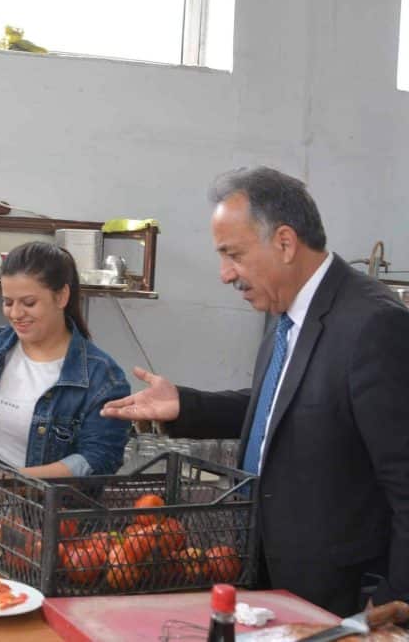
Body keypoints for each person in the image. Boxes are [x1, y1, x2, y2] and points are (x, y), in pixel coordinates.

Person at [101, 166, 409, 616]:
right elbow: (291, 406)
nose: (226, 274)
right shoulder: (287, 313)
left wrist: (393, 604)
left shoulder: (374, 324)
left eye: (234, 254)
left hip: (342, 600)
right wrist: (186, 405)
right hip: (271, 580)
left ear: (285, 242)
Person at [0, 241, 132, 508]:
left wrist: (15, 482)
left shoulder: (103, 378)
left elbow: (96, 462)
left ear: (61, 297)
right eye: (7, 302)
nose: (15, 313)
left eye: (29, 303)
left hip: (47, 525)